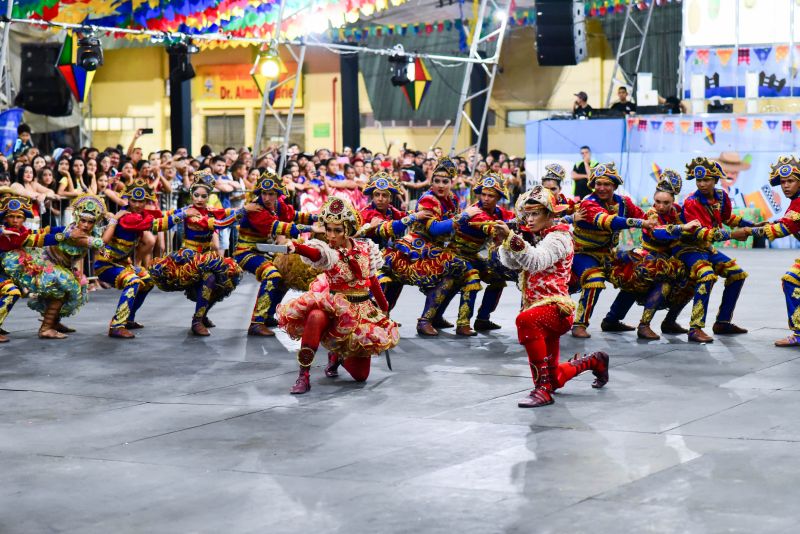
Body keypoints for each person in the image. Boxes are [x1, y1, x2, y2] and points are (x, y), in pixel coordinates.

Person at [494, 186, 609, 408]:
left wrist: (512, 238)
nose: (529, 219)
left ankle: (542, 390)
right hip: (541, 310)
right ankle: (595, 360)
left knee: (525, 320)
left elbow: (535, 261)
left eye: (535, 213)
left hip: (555, 310)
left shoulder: (559, 237)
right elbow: (512, 264)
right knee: (555, 378)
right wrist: (505, 242)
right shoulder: (542, 236)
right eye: (527, 214)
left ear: (550, 214)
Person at [277, 197, 399, 394]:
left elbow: (372, 279)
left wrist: (384, 308)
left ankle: (337, 356)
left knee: (361, 377)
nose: (331, 235)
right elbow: (315, 254)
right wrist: (297, 247)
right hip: (335, 308)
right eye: (328, 229)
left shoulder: (366, 248)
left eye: (337, 230)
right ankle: (303, 376)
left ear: (348, 230)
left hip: (362, 310)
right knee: (315, 316)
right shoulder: (328, 251)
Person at [382, 158, 478, 336]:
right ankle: (425, 320)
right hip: (417, 249)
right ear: (431, 181)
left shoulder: (453, 199)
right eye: (436, 181)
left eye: (445, 181)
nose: (440, 185)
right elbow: (434, 229)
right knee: (454, 268)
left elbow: (452, 227)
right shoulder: (429, 199)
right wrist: (464, 216)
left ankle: (439, 317)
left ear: (452, 182)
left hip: (437, 247)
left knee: (463, 272)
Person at [149, 171, 244, 336]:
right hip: (190, 257)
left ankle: (203, 314)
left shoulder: (211, 210)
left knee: (226, 280)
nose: (199, 199)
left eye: (203, 196)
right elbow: (158, 225)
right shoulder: (188, 211)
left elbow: (226, 213)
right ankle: (197, 321)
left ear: (208, 197)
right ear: (191, 195)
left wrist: (245, 210)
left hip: (208, 256)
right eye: (196, 195)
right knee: (210, 278)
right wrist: (182, 215)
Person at [2, 193, 106, 339]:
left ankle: (53, 323)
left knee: (67, 290)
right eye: (83, 220)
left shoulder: (76, 229)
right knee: (59, 290)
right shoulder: (75, 234)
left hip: (60, 267)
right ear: (77, 218)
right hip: (43, 264)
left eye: (90, 222)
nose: (86, 225)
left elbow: (48, 231)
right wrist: (113, 222)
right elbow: (98, 243)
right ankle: (46, 328)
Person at [94, 178, 187, 339]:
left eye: (141, 201)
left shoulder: (141, 214)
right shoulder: (127, 217)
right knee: (134, 281)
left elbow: (161, 215)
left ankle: (129, 318)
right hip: (106, 264)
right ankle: (117, 325)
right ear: (128, 200)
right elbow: (158, 225)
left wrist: (185, 209)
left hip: (123, 264)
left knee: (148, 279)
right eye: (134, 200)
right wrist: (184, 214)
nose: (137, 204)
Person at [570, 163, 655, 338]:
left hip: (608, 254)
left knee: (637, 273)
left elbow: (643, 216)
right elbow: (610, 221)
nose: (601, 188)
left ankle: (612, 320)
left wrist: (658, 218)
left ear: (614, 186)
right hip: (583, 253)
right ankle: (579, 324)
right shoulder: (588, 203)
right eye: (598, 184)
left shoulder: (623, 202)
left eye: (606, 184)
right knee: (595, 279)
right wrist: (641, 223)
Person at [678, 157, 756, 343]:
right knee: (706, 276)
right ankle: (695, 328)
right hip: (688, 249)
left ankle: (722, 322)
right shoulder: (691, 202)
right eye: (699, 180)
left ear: (715, 180)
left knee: (737, 275)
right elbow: (703, 233)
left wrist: (751, 225)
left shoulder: (721, 196)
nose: (702, 184)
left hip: (706, 248)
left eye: (706, 180)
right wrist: (733, 235)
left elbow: (728, 218)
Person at [233, 171, 316, 336]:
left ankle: (268, 314)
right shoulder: (255, 208)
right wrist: (311, 228)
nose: (267, 198)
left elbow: (294, 215)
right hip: (246, 252)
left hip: (264, 252)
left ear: (277, 195)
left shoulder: (278, 205)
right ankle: (256, 322)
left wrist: (319, 218)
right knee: (272, 275)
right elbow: (278, 227)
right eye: (264, 193)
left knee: (283, 278)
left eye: (271, 194)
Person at [730, 156, 800, 346]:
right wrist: (769, 224)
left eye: (791, 181)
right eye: (783, 182)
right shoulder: (795, 201)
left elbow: (781, 230)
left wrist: (748, 231)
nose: (785, 186)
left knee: (791, 280)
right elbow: (786, 222)